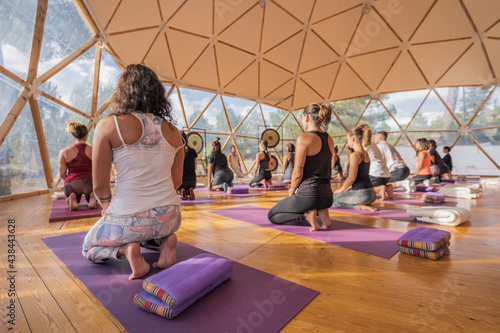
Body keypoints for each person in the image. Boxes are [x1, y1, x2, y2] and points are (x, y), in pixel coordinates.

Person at [82, 64, 184, 280]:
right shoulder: (175, 133)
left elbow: (99, 186)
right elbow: (176, 181)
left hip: (130, 222)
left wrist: (110, 210)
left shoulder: (109, 125)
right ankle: (166, 241)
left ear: (123, 92)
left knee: (88, 248)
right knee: (150, 229)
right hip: (171, 218)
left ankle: (126, 250)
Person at [268, 103, 334, 231]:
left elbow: (297, 172)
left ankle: (307, 215)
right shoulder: (329, 139)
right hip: (327, 196)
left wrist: (292, 190)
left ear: (306, 117)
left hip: (308, 196)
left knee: (273, 216)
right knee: (318, 202)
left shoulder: (304, 138)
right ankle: (323, 212)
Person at [332, 126, 378, 211]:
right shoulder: (366, 154)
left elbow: (351, 178)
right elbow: (360, 177)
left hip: (362, 195)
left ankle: (358, 206)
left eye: (348, 139)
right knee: (340, 195)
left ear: (352, 138)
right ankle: (362, 203)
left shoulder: (354, 156)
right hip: (371, 194)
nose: (347, 142)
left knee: (332, 200)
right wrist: (345, 190)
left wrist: (341, 190)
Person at [58, 121, 96, 211]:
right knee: (94, 192)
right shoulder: (94, 150)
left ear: (73, 136)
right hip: (90, 183)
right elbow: (100, 170)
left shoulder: (64, 151)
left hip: (71, 184)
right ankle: (92, 197)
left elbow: (62, 174)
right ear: (86, 135)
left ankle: (72, 197)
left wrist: (71, 181)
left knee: (72, 194)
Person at [358, 124, 393, 200]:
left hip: (376, 175)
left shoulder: (363, 144)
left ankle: (380, 188)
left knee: (360, 191)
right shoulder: (372, 143)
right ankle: (387, 187)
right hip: (386, 175)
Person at [177, 131, 197, 200]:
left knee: (176, 189)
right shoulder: (193, 151)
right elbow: (195, 167)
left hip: (181, 181)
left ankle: (181, 191)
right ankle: (189, 189)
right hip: (192, 181)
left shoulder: (177, 150)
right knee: (189, 185)